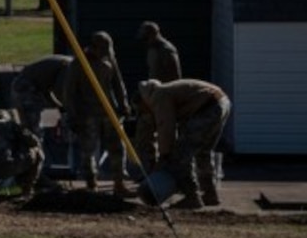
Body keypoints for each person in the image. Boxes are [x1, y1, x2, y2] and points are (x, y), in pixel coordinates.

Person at [133, 78, 230, 209]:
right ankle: (210, 194)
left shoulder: (159, 96)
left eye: (142, 111)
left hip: (208, 108)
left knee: (181, 155)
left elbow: (166, 128)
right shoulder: (167, 91)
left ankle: (192, 197)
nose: (145, 114)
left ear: (143, 102)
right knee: (203, 153)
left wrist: (164, 156)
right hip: (220, 103)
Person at [56, 32, 130, 197]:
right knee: (88, 151)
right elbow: (69, 92)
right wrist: (73, 114)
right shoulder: (78, 64)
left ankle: (119, 183)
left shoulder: (109, 59)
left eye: (106, 51)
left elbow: (118, 83)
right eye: (101, 50)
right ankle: (91, 184)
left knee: (118, 147)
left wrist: (123, 103)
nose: (104, 53)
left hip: (110, 112)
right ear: (93, 48)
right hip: (88, 114)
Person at [10, 54, 71, 135]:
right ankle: (33, 144)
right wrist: (68, 107)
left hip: (27, 85)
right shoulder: (69, 67)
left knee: (28, 127)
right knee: (32, 128)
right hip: (26, 88)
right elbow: (60, 91)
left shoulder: (69, 63)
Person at [137, 21, 182, 85]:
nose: (145, 43)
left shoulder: (167, 50)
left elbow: (175, 76)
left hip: (166, 89)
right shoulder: (151, 49)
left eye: (146, 39)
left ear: (153, 34)